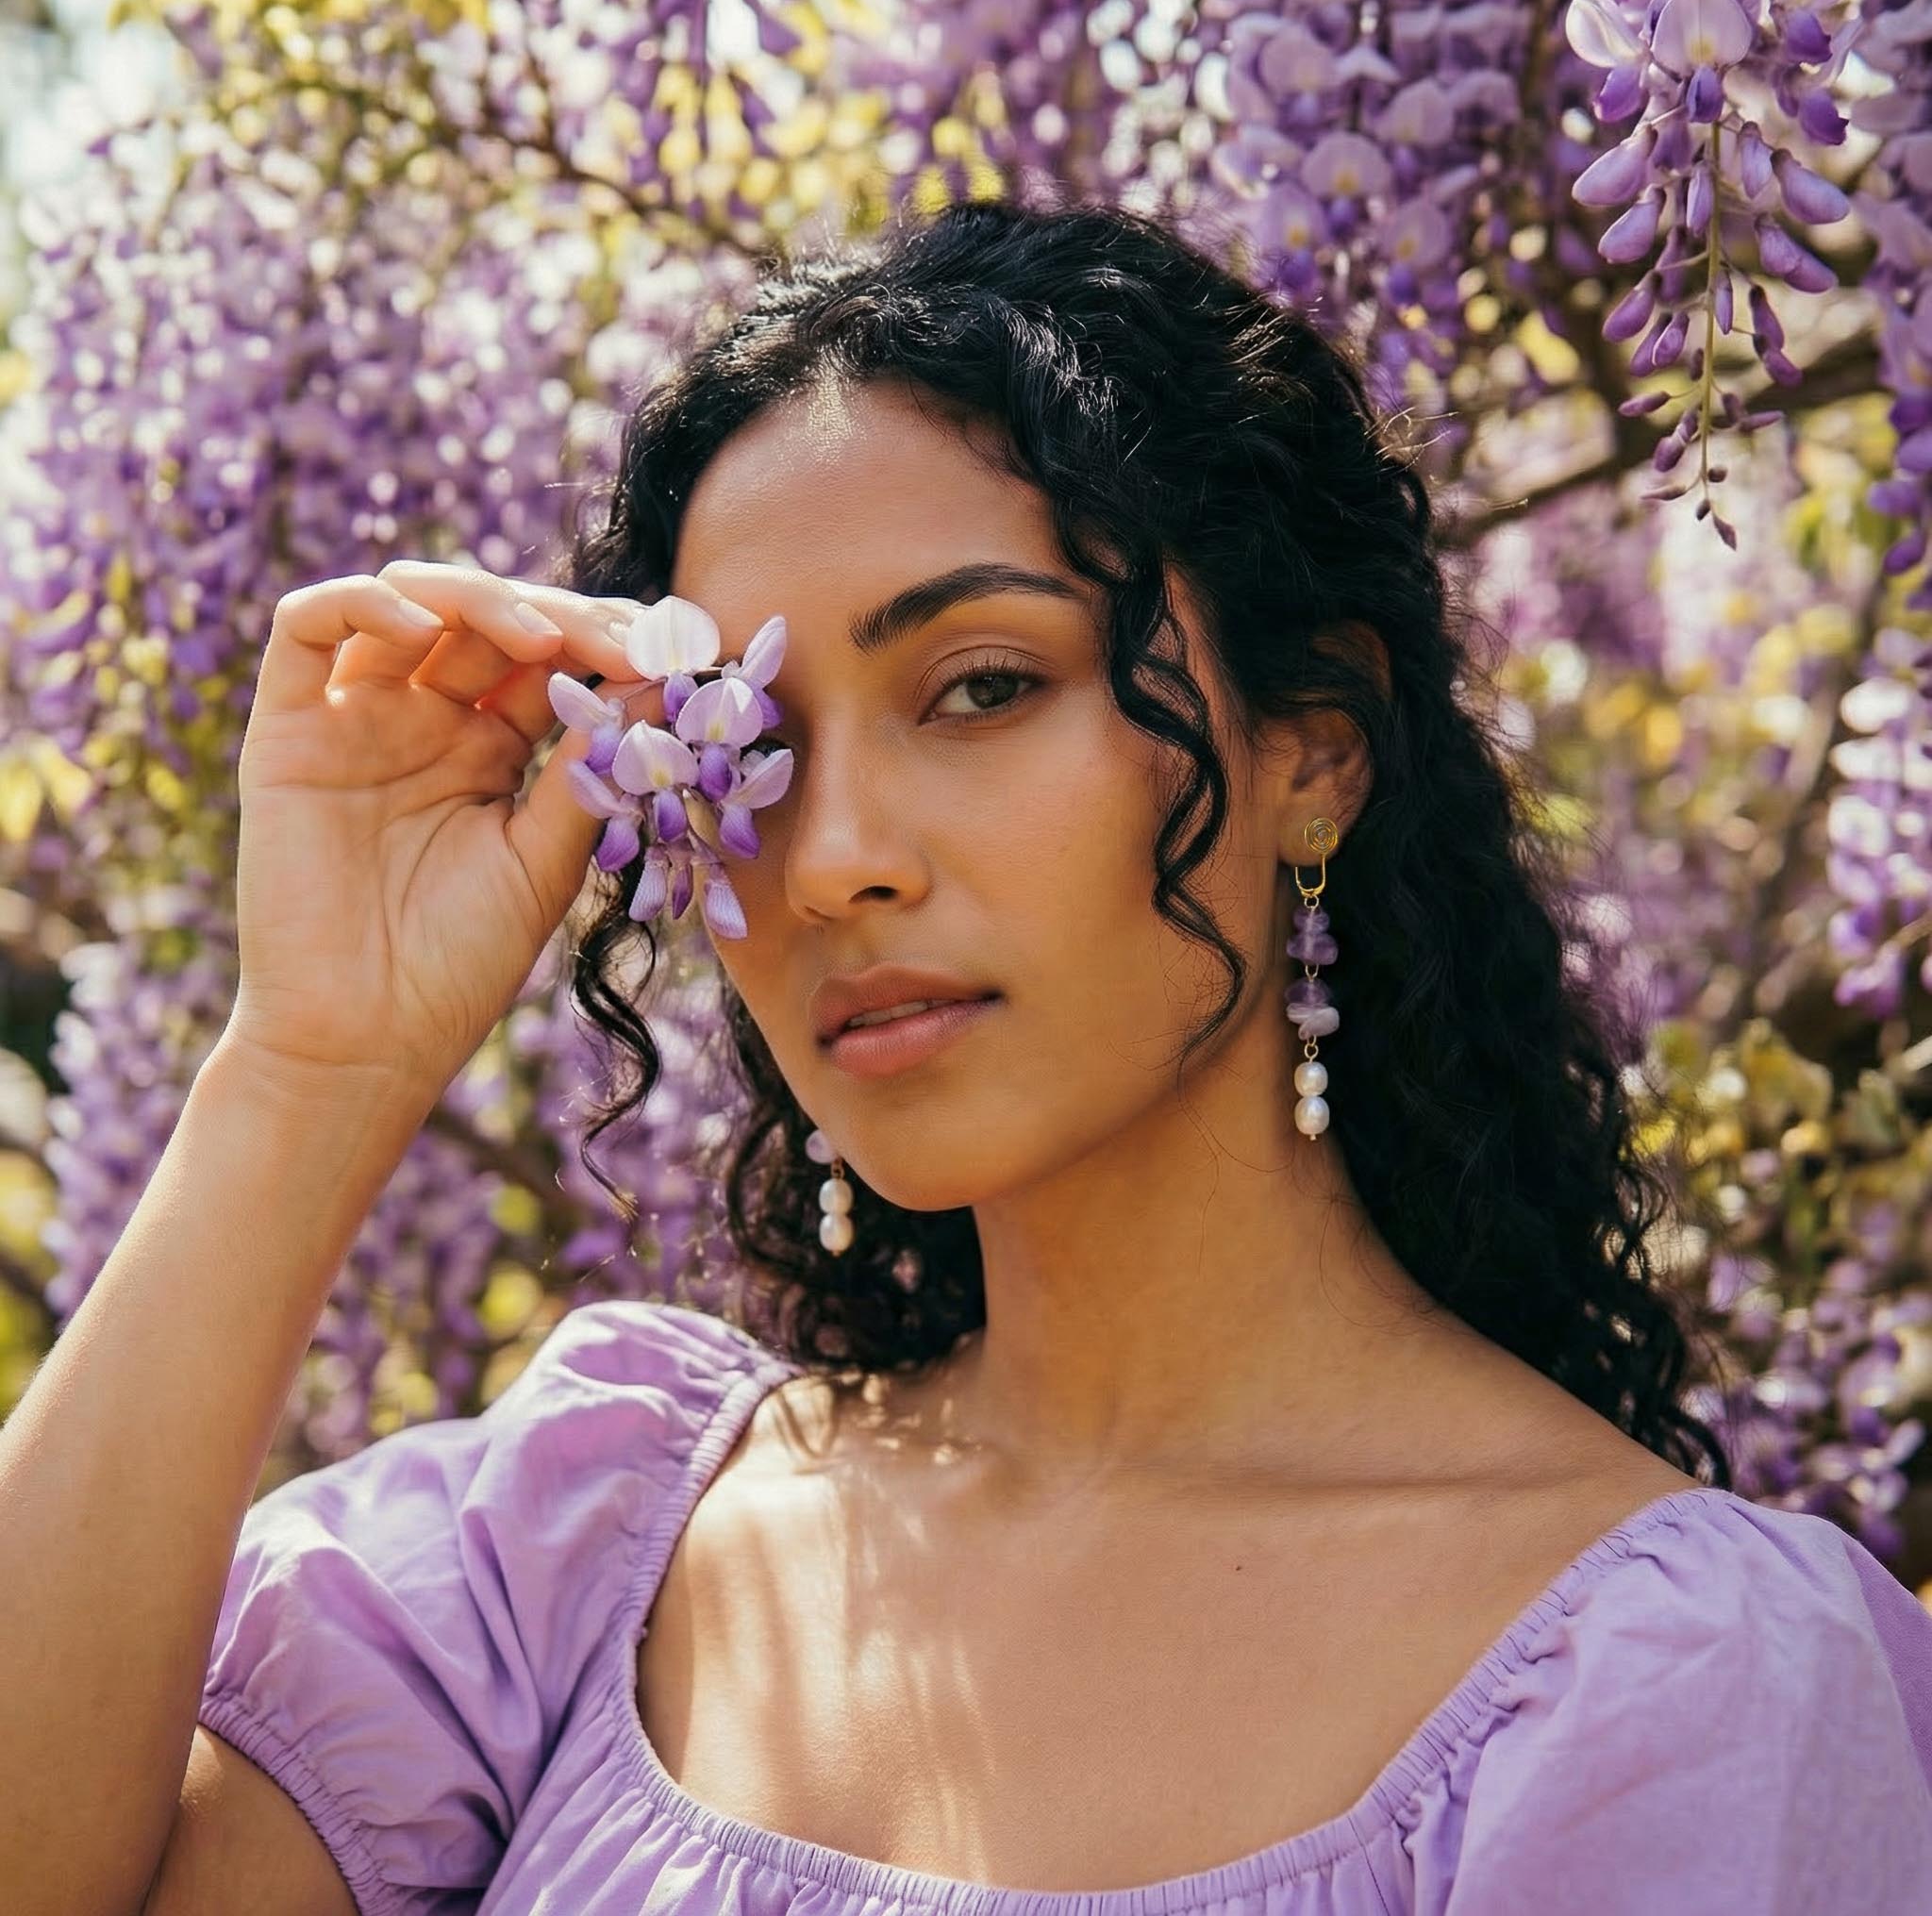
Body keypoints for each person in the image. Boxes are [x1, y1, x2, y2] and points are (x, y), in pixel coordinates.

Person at [4, 195, 1928, 1916]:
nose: (832, 856)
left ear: (1313, 748)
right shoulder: (579, 1552)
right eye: (752, 742)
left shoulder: (1671, 1680)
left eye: (983, 685)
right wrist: (309, 1065)